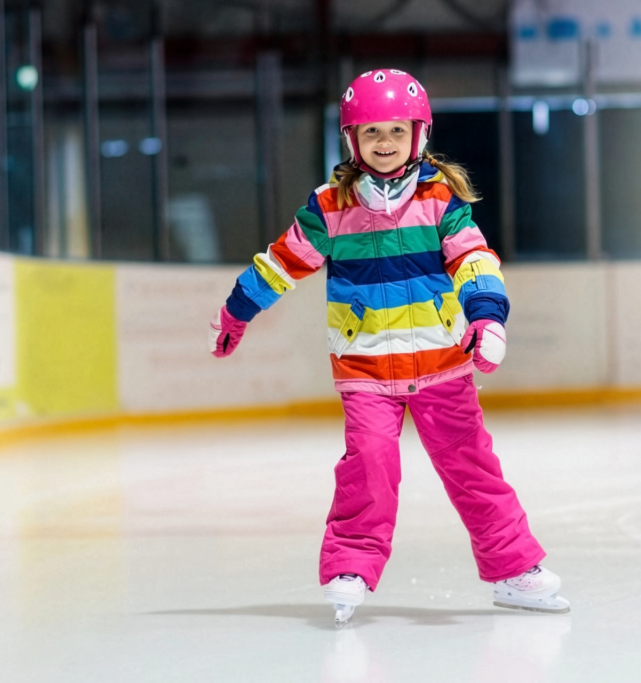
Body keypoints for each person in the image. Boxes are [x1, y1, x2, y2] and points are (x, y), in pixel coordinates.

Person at [208, 68, 569, 627]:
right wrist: (239, 309)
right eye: (371, 132)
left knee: (473, 467)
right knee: (370, 463)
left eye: (397, 131)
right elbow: (281, 263)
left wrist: (487, 316)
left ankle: (513, 570)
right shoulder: (330, 207)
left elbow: (474, 259)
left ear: (418, 136)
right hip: (366, 367)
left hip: (442, 363)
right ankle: (350, 567)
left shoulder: (440, 199)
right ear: (352, 140)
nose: (384, 142)